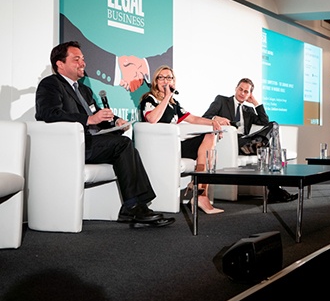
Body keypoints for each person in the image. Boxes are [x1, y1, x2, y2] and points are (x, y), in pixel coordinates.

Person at [35, 41, 174, 227]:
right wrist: (88, 119)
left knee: (124, 143)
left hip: (92, 141)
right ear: (60, 64)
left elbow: (97, 114)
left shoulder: (83, 89)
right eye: (76, 59)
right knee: (123, 144)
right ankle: (134, 207)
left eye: (83, 59)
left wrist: (115, 121)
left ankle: (137, 205)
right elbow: (48, 113)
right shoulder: (50, 84)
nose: (83, 63)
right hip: (73, 145)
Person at [140, 66, 223, 215]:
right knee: (208, 144)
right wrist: (166, 97)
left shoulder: (174, 104)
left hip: (176, 145)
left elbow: (193, 119)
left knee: (210, 136)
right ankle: (200, 195)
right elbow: (152, 119)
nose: (165, 81)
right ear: (155, 81)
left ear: (173, 81)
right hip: (161, 147)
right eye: (161, 77)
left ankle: (201, 193)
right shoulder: (149, 99)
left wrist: (213, 122)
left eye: (169, 78)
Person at [203, 78, 297, 203]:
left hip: (248, 143)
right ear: (236, 88)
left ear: (250, 94)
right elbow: (206, 117)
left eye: (246, 92)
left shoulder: (249, 110)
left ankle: (274, 186)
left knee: (273, 125)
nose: (242, 93)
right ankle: (276, 188)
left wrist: (255, 103)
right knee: (266, 150)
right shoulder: (222, 100)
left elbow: (264, 122)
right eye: (240, 89)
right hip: (231, 142)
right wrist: (216, 118)